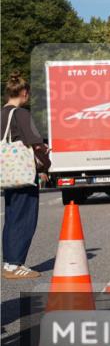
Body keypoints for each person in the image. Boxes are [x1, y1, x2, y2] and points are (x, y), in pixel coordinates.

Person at [2, 73, 47, 279]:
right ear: (24, 93)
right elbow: (36, 143)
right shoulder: (21, 114)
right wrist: (45, 157)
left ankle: (9, 262)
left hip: (8, 174)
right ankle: (14, 264)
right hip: (22, 174)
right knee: (25, 217)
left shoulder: (1, 114)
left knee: (12, 217)